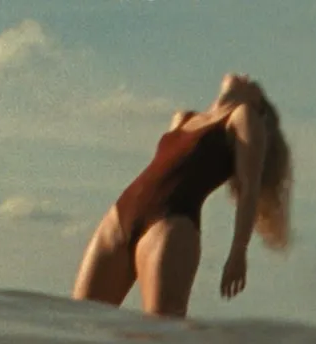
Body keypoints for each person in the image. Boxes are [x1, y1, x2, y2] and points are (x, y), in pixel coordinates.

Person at [72, 73, 292, 317]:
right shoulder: (183, 118)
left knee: (160, 334)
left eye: (254, 84)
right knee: (79, 320)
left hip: (169, 224)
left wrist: (238, 253)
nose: (247, 77)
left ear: (257, 103)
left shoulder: (243, 116)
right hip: (119, 216)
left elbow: (249, 190)